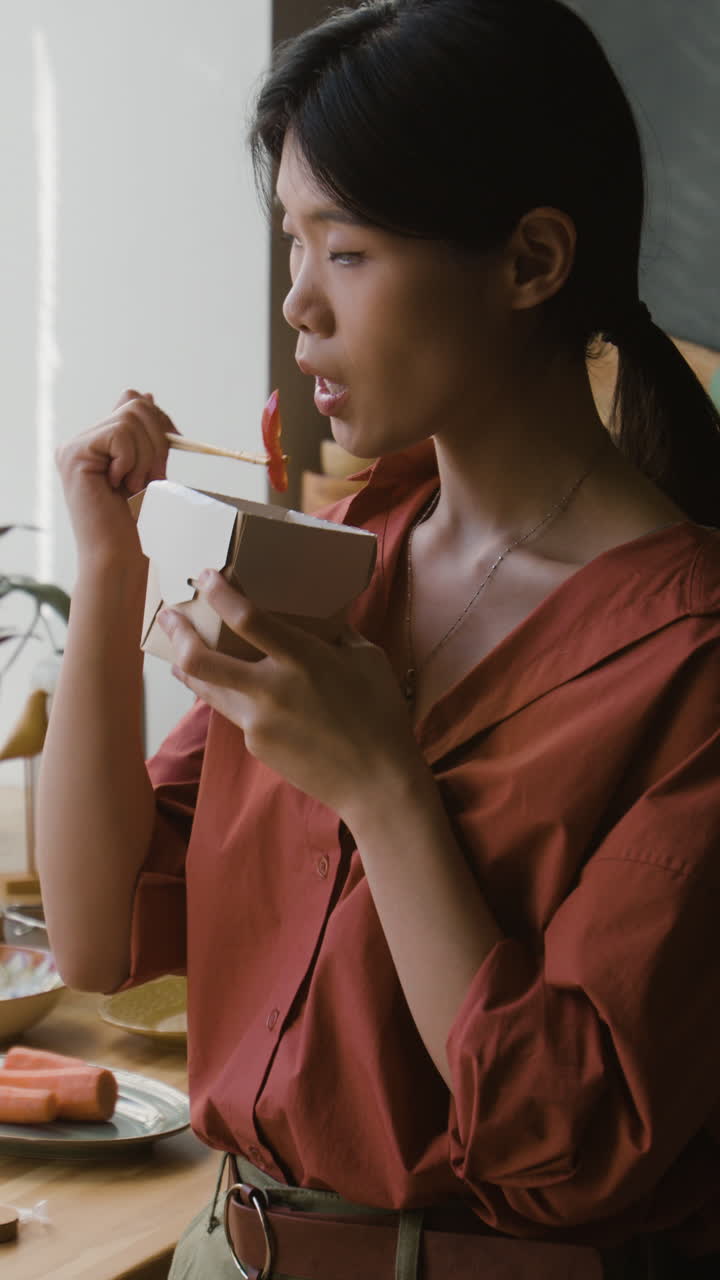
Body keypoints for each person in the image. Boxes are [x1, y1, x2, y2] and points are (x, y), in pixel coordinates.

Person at [37, 1, 720, 1276]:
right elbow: (97, 931)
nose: (297, 304)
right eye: (291, 241)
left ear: (531, 261)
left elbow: (562, 1140)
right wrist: (110, 566)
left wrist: (380, 781)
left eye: (344, 249)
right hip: (222, 1251)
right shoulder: (347, 555)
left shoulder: (690, 659)